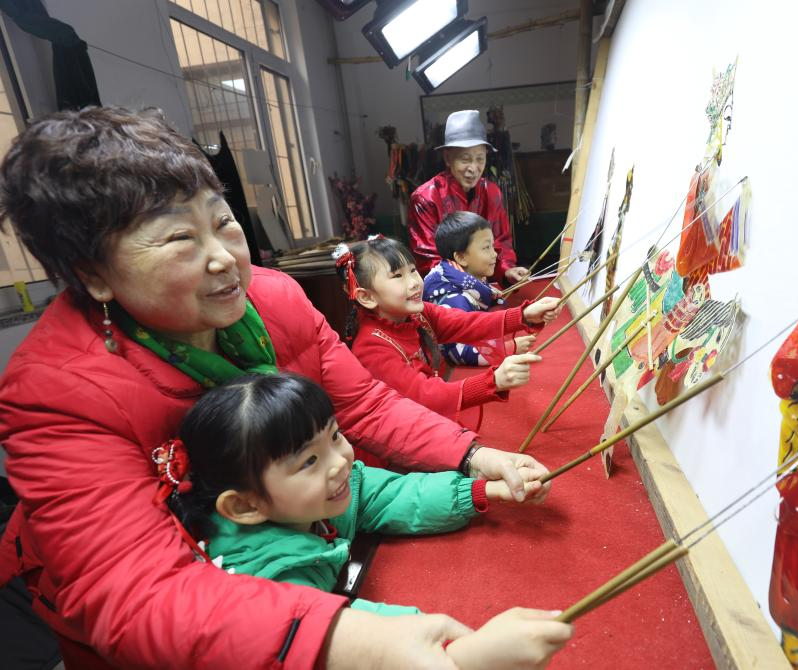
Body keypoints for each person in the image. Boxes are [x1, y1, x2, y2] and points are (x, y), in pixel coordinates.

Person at [0, 106, 557, 669]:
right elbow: (136, 592)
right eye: (180, 239)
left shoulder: (273, 299)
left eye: (222, 223)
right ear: (94, 274)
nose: (224, 258)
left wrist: (476, 458)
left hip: (298, 550)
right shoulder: (55, 392)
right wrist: (365, 644)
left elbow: (365, 404)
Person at [166, 372, 564, 661]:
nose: (340, 461)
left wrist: (480, 490)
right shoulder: (262, 580)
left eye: (334, 436)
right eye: (309, 460)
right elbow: (339, 640)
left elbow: (391, 494)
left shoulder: (322, 492)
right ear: (246, 506)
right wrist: (462, 653)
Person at [337, 236, 558, 428]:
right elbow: (424, 395)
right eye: (397, 276)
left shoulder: (416, 314)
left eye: (412, 271)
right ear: (366, 297)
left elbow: (465, 322)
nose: (414, 283)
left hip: (425, 417)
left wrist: (524, 315)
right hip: (404, 434)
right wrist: (493, 381)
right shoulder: (372, 347)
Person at [409, 110, 529, 285]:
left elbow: (500, 242)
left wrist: (507, 270)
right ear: (448, 158)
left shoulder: (492, 192)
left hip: (484, 286)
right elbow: (428, 259)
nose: (473, 168)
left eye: (480, 159)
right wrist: (469, 282)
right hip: (447, 290)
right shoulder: (425, 198)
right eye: (465, 160)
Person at [424, 211, 534, 367]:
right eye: (486, 248)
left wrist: (526, 317)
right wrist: (510, 348)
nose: (494, 254)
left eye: (492, 246)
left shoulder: (467, 277)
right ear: (461, 257)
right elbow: (457, 352)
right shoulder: (453, 298)